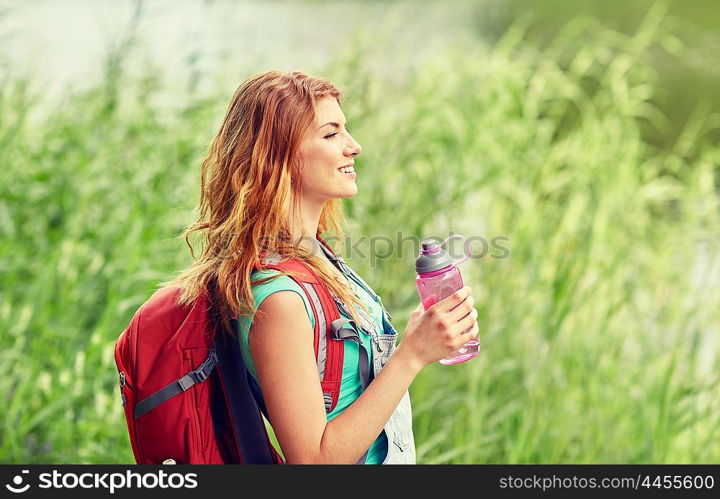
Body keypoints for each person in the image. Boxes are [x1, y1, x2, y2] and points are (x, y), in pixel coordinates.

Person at [165, 70, 479, 464]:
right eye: (331, 134)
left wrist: (426, 334)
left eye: (345, 130)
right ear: (277, 156)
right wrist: (413, 354)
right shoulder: (278, 298)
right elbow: (313, 460)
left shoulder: (316, 259)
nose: (355, 146)